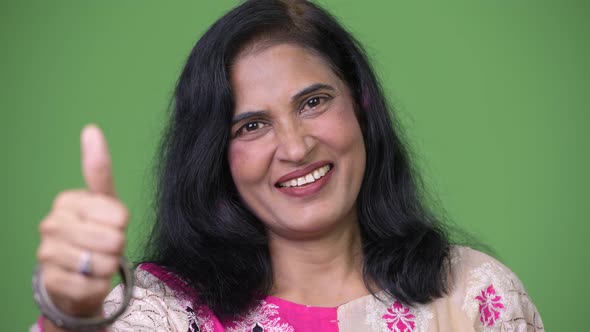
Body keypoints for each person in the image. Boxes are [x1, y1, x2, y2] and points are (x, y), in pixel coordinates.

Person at [32, 0, 544, 331]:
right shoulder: (157, 312)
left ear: (361, 106)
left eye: (313, 102)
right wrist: (65, 316)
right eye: (251, 126)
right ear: (215, 154)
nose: (296, 148)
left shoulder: (477, 294)